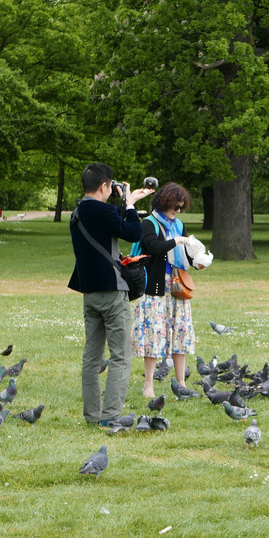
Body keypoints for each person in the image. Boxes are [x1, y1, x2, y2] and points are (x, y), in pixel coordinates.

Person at [68, 163, 154, 425]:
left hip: (89, 293)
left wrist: (130, 201)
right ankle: (111, 416)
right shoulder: (102, 211)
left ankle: (92, 417)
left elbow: (109, 223)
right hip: (112, 292)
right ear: (104, 186)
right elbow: (133, 231)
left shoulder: (78, 212)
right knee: (120, 356)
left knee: (92, 357)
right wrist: (128, 205)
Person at [131, 182, 204, 397]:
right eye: (175, 206)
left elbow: (188, 255)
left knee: (180, 334)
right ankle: (148, 385)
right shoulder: (149, 223)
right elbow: (153, 247)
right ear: (164, 202)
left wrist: (199, 260)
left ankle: (181, 383)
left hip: (177, 286)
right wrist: (177, 240)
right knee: (154, 335)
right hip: (155, 287)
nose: (177, 210)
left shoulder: (179, 225)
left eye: (180, 207)